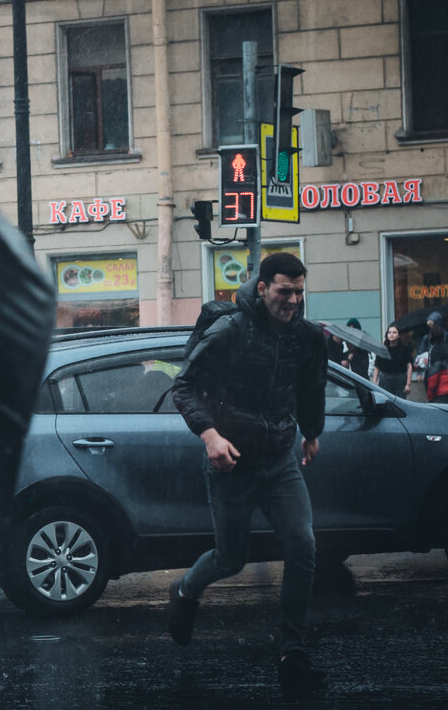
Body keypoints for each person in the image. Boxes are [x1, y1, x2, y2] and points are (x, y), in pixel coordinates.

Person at [168, 252, 328, 690]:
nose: (293, 300)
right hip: (232, 462)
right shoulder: (231, 330)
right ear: (262, 288)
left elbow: (312, 386)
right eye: (284, 291)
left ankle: (292, 652)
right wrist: (210, 436)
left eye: (299, 291)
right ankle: (184, 591)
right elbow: (183, 386)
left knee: (303, 545)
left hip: (279, 461)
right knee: (230, 558)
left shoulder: (308, 337)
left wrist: (311, 432)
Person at [415, 311, 448, 404]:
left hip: (436, 372)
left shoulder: (444, 336)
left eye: (432, 324)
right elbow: (420, 354)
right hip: (432, 370)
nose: (430, 326)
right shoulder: (426, 337)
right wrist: (420, 368)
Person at [372, 324, 412, 398]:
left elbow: (409, 366)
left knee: (399, 403)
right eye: (389, 332)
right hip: (385, 379)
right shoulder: (382, 349)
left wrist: (408, 384)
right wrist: (375, 380)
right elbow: (377, 366)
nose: (391, 334)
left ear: (399, 335)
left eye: (394, 332)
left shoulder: (404, 349)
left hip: (400, 379)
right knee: (386, 401)